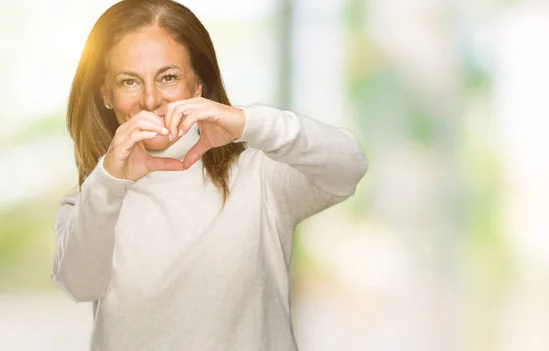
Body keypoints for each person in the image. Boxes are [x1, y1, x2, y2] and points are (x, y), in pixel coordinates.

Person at [51, 0, 367, 350]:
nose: (151, 99)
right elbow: (79, 285)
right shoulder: (89, 203)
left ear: (198, 85)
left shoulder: (259, 178)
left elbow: (349, 166)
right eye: (129, 82)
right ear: (106, 94)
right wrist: (108, 181)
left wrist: (248, 122)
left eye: (168, 77)